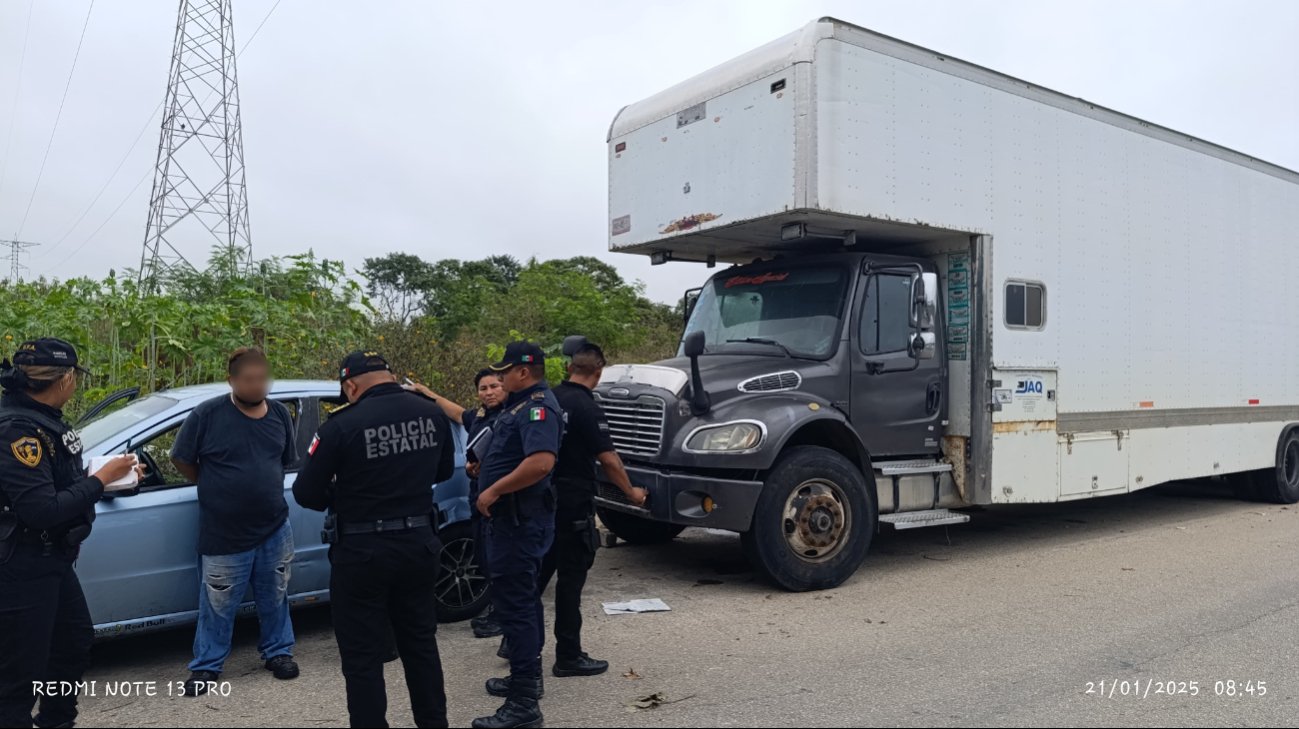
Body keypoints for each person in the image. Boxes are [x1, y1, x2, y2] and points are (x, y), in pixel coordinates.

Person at [294, 350, 456, 729]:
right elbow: (444, 469)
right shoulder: (431, 412)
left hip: (362, 553)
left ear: (350, 386)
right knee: (420, 645)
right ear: (390, 375)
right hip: (420, 544)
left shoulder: (340, 426)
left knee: (362, 656)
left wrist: (343, 494)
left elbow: (306, 493)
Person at [0, 338, 138, 728]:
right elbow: (41, 509)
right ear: (63, 381)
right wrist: (98, 481)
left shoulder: (45, 418)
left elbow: (58, 481)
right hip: (22, 566)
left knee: (73, 646)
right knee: (17, 680)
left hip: (53, 560)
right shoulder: (17, 431)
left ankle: (56, 721)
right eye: (75, 377)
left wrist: (111, 478)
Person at [170, 347, 301, 696]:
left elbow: (283, 461)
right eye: (249, 379)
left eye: (262, 379)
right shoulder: (207, 414)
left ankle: (278, 652)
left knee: (275, 594)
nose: (257, 386)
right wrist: (216, 485)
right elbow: (181, 460)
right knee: (217, 602)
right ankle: (207, 667)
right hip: (224, 533)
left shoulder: (279, 414)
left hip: (275, 527)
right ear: (231, 380)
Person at [539, 341, 647, 678]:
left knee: (536, 575)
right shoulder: (588, 408)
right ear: (598, 374)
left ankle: (515, 643)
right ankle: (568, 655)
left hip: (541, 502)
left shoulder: (547, 399)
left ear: (570, 368)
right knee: (570, 582)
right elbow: (609, 460)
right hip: (572, 504)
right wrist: (632, 493)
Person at [472, 341, 564, 729]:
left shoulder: (537, 406)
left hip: (518, 522)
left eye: (505, 372)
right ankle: (527, 678)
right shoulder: (519, 404)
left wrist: (493, 490)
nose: (501, 378)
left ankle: (524, 702)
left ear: (523, 372)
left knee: (516, 606)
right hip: (513, 521)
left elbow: (541, 462)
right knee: (521, 601)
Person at [408, 368, 506, 638]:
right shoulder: (481, 416)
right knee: (485, 557)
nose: (489, 392)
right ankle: (497, 612)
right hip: (479, 497)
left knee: (501, 560)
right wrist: (429, 394)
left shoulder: (512, 418)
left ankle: (503, 617)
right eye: (483, 388)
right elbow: (457, 413)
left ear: (506, 386)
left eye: (495, 386)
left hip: (503, 500)